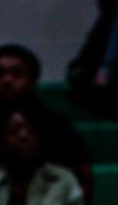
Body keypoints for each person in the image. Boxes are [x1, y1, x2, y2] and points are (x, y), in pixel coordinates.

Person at [0, 44, 93, 196]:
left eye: (16, 74)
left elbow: (81, 184)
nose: (7, 80)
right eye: (0, 73)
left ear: (32, 80)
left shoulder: (57, 128)